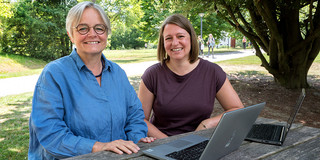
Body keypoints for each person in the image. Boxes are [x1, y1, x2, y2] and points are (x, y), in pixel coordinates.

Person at [28, 2, 154, 159]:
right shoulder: (54, 74)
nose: (92, 34)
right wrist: (100, 147)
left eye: (99, 28)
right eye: (83, 28)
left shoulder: (118, 73)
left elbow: (134, 115)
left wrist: (135, 140)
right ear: (70, 34)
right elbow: (50, 133)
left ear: (106, 33)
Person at [138, 14, 244, 139]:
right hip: (161, 144)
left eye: (180, 36)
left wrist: (208, 123)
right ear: (163, 43)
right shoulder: (152, 75)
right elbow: (140, 119)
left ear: (191, 39)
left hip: (199, 141)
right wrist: (167, 142)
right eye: (168, 38)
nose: (175, 43)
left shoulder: (212, 72)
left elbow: (237, 110)